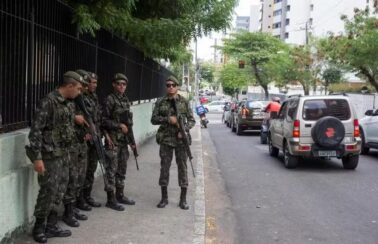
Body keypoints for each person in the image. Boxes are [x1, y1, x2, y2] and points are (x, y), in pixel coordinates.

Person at [26, 71, 84, 243]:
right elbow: (35, 133)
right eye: (79, 88)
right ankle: (39, 228)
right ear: (70, 85)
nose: (80, 92)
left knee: (60, 190)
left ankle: (51, 225)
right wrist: (37, 158)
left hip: (64, 154)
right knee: (48, 192)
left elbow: (67, 129)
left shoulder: (69, 104)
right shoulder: (48, 102)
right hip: (49, 156)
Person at [151, 76, 196, 210]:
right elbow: (153, 119)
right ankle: (164, 198)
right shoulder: (160, 101)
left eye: (173, 85)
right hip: (166, 140)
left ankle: (183, 199)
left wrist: (185, 130)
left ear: (177, 86)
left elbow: (192, 120)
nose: (170, 87)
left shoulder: (184, 102)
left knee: (183, 168)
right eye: (168, 85)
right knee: (164, 168)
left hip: (181, 141)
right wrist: (167, 119)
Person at [61, 70, 91, 228]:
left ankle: (73, 208)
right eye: (82, 86)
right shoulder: (67, 98)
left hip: (80, 143)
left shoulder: (80, 98)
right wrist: (74, 118)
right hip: (70, 145)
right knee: (72, 179)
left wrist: (87, 133)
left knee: (79, 177)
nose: (84, 89)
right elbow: (63, 117)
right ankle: (68, 212)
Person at [102, 73, 136, 211]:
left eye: (124, 84)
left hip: (123, 142)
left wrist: (132, 142)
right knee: (111, 170)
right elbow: (103, 121)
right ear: (114, 85)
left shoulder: (125, 100)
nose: (122, 86)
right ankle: (110, 199)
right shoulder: (109, 100)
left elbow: (128, 124)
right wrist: (118, 126)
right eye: (119, 84)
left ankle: (120, 195)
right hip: (113, 141)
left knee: (122, 169)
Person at [82, 71, 102, 208]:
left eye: (95, 82)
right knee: (82, 171)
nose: (94, 85)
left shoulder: (94, 97)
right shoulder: (80, 97)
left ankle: (87, 196)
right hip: (84, 139)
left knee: (91, 169)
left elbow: (96, 118)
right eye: (91, 82)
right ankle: (79, 199)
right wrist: (85, 132)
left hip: (95, 137)